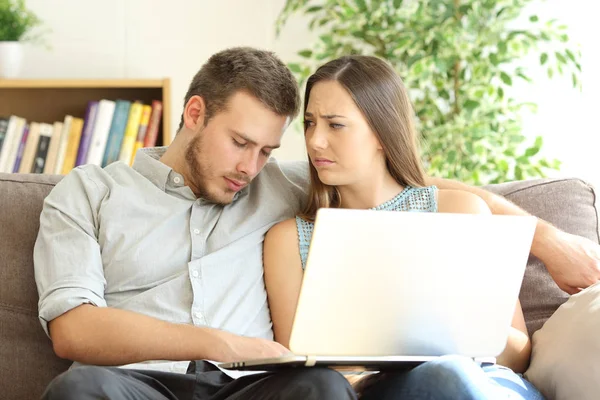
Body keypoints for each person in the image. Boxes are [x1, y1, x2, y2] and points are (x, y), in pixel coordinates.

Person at [34, 47, 598, 399]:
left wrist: (545, 238)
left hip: (254, 390)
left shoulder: (274, 182)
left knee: (323, 387)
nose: (250, 167)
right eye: (240, 144)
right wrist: (228, 343)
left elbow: (415, 192)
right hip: (137, 383)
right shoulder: (87, 192)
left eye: (267, 150)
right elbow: (74, 328)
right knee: (80, 388)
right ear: (195, 113)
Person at [263, 55, 542, 399]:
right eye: (309, 123)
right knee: (443, 378)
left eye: (334, 125)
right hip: (384, 391)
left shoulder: (459, 211)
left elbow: (518, 353)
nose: (314, 140)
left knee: (451, 374)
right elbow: (301, 370)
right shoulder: (289, 240)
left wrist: (454, 329)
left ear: (382, 133)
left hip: (487, 383)